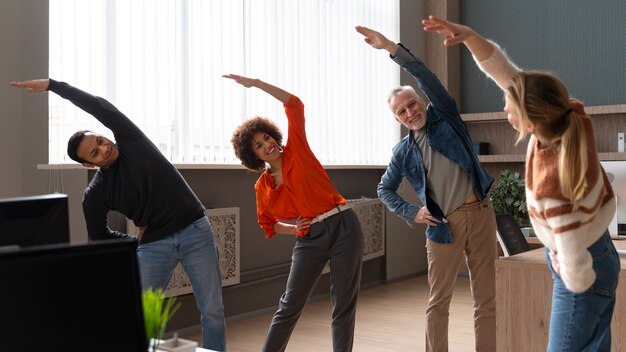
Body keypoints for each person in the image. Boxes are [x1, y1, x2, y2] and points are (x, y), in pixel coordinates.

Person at [422, 16, 619, 351]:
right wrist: (471, 38)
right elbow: (506, 73)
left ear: (530, 121)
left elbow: (575, 259)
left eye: (509, 106)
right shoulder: (570, 116)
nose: (504, 107)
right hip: (600, 250)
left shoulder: (552, 181)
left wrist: (566, 266)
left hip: (581, 269)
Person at [9, 78, 227, 351]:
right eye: (95, 152)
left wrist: (53, 86)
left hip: (195, 229)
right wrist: (132, 242)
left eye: (100, 140)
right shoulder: (96, 193)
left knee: (212, 311)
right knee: (139, 316)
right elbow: (98, 235)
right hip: (154, 245)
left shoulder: (131, 140)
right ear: (89, 163)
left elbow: (97, 106)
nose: (104, 148)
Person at [355, 25, 498, 352]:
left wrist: (391, 47)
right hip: (442, 227)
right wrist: (412, 212)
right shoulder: (402, 153)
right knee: (439, 303)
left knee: (486, 299)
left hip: (480, 214)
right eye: (401, 111)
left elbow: (425, 75)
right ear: (397, 118)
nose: (410, 112)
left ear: (421, 101)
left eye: (412, 104)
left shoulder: (445, 117)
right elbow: (384, 189)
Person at [225, 74, 364, 352]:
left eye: (267, 138)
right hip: (310, 238)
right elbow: (268, 224)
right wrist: (297, 228)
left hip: (343, 225)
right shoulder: (262, 186)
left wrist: (257, 83)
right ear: (254, 156)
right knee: (289, 305)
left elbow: (295, 105)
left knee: (343, 303)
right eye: (260, 145)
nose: (268, 145)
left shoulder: (297, 149)